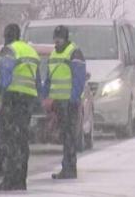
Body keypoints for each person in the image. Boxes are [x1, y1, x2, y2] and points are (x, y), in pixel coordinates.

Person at [0, 23, 41, 192]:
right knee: (22, 140)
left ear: (7, 36)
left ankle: (9, 179)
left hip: (13, 98)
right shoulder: (31, 51)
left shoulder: (10, 50)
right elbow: (37, 80)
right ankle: (21, 180)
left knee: (8, 139)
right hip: (27, 100)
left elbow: (5, 75)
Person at [44, 25, 87, 180]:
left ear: (66, 38)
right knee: (65, 136)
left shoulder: (74, 53)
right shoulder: (54, 54)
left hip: (70, 102)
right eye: (55, 38)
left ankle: (69, 169)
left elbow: (79, 77)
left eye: (59, 38)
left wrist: (74, 97)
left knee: (70, 137)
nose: (57, 41)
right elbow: (49, 78)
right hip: (58, 103)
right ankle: (67, 168)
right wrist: (45, 96)